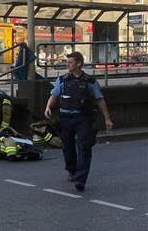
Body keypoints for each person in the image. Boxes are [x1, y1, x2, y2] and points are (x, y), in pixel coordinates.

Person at [44, 51, 113, 191]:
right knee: (68, 147)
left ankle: (81, 179)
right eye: (67, 62)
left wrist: (107, 118)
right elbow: (54, 95)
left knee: (84, 147)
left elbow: (100, 99)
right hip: (65, 118)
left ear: (79, 63)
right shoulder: (62, 80)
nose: (67, 65)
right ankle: (72, 170)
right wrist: (48, 107)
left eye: (70, 62)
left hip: (83, 118)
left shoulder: (89, 81)